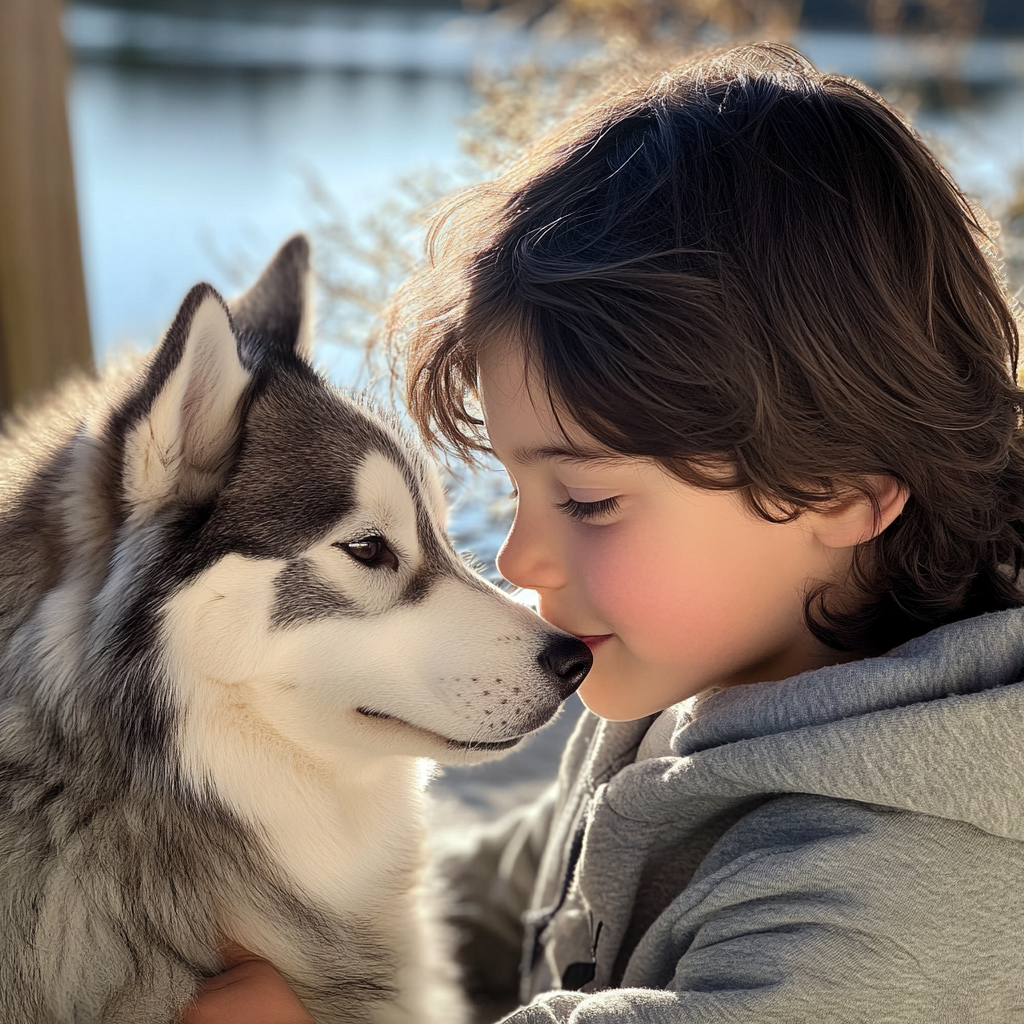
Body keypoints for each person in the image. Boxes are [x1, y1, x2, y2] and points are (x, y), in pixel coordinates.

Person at [186, 42, 1024, 1023]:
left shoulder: (882, 921)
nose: (518, 560)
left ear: (843, 490)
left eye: (585, 502)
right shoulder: (710, 676)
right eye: (515, 486)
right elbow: (537, 893)